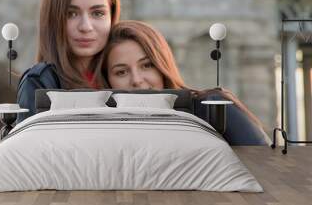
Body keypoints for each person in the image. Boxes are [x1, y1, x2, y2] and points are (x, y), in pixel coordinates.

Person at [96, 20, 270, 145]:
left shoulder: (211, 107)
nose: (136, 80)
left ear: (162, 65)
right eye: (121, 72)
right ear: (107, 80)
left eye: (147, 65)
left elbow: (266, 164)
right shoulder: (106, 132)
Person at [17, 0, 121, 122]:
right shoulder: (40, 82)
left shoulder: (126, 75)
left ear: (112, 16)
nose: (85, 27)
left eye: (98, 13)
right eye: (71, 14)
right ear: (53, 19)